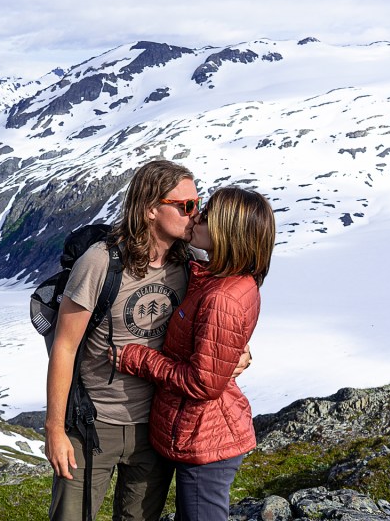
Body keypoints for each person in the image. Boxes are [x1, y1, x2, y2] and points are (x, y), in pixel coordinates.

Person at [45, 160, 251, 521]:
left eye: (197, 204)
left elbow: (214, 324)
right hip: (92, 422)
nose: (196, 215)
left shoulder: (190, 263)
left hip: (153, 427)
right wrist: (55, 430)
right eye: (186, 206)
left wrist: (240, 352)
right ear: (151, 209)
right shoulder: (100, 263)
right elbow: (65, 346)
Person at [112, 186, 275, 521]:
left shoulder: (222, 298)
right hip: (203, 433)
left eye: (208, 214)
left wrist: (138, 359)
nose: (197, 218)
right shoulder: (225, 281)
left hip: (206, 441)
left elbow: (203, 383)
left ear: (227, 231)